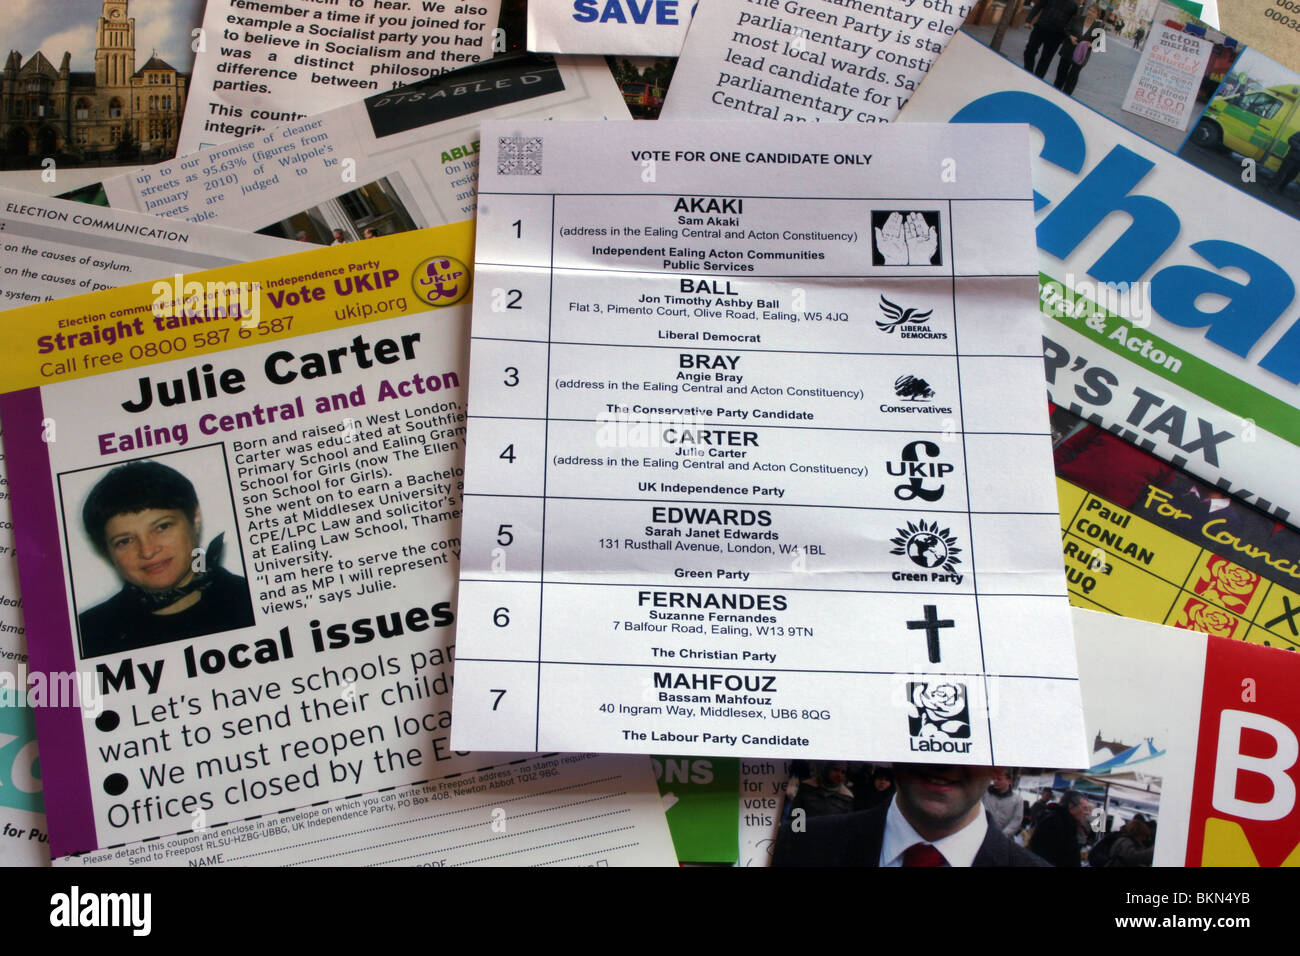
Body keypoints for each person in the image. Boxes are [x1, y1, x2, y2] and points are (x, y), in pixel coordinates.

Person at [78, 460, 255, 657]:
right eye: (125, 541)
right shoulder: (85, 635)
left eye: (162, 527)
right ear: (107, 551)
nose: (147, 551)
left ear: (195, 519)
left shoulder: (255, 600)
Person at [772, 764, 1050, 866]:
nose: (942, 759)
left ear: (1001, 765)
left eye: (967, 741)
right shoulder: (792, 846)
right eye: (922, 729)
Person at [1028, 789, 1094, 866]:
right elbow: (1045, 856)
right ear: (1071, 807)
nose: (1087, 813)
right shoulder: (1054, 822)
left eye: (1089, 809)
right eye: (1084, 808)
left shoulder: (1068, 823)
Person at [1023, 0, 1081, 79]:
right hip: (1041, 27)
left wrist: (1068, 35)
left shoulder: (1074, 5)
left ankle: (1037, 80)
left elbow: (1073, 22)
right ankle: (1028, 73)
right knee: (1029, 51)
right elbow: (1038, 6)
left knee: (1046, 59)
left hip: (1057, 35)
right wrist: (1028, 20)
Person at [1054, 4, 1102, 96]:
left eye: (1093, 12)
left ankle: (1066, 96)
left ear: (1097, 15)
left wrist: (1090, 44)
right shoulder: (1076, 19)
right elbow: (1066, 30)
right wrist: (1070, 37)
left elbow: (1098, 43)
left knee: (1073, 75)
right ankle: (1055, 92)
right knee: (1061, 73)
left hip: (1082, 54)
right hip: (1068, 50)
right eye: (1089, 10)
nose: (1090, 13)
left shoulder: (1098, 27)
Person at [789, 762, 856, 818]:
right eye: (836, 770)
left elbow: (846, 825)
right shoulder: (807, 787)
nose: (839, 775)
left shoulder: (846, 797)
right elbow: (796, 816)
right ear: (827, 769)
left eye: (843, 772)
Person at [983, 767, 1024, 837]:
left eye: (999, 779)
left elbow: (1016, 820)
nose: (995, 781)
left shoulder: (1017, 800)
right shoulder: (985, 794)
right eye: (994, 779)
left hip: (1003, 837)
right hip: (983, 834)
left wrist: (1002, 835)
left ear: (1009, 781)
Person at [1269, 129, 1300, 197]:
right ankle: (1271, 186)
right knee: (1282, 172)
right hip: (1292, 157)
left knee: (1291, 176)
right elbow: (1291, 140)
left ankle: (1281, 188)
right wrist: (1298, 147)